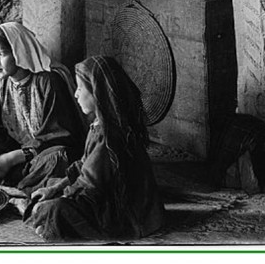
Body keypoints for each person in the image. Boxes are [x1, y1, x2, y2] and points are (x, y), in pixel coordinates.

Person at [25, 55, 165, 241]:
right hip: (111, 198)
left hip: (126, 215)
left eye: (81, 88)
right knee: (49, 188)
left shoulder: (108, 136)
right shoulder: (101, 126)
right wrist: (56, 187)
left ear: (97, 92)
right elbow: (84, 164)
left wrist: (60, 197)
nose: (76, 94)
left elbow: (89, 187)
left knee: (52, 209)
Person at [0, 22, 84, 198]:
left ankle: (15, 191)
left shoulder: (47, 82)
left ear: (19, 53)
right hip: (13, 153)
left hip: (38, 158)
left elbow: (58, 136)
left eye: (1, 54)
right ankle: (14, 188)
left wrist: (10, 159)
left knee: (58, 158)